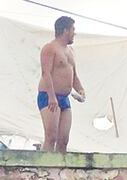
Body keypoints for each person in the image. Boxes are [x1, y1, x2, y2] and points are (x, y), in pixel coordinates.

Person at [38, 16, 85, 153]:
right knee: (51, 137)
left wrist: (81, 90)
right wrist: (52, 97)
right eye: (73, 29)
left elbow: (74, 76)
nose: (74, 33)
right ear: (65, 30)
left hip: (64, 98)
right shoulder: (50, 48)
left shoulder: (71, 51)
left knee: (63, 139)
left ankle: (60, 170)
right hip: (49, 96)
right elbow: (45, 73)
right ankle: (43, 169)